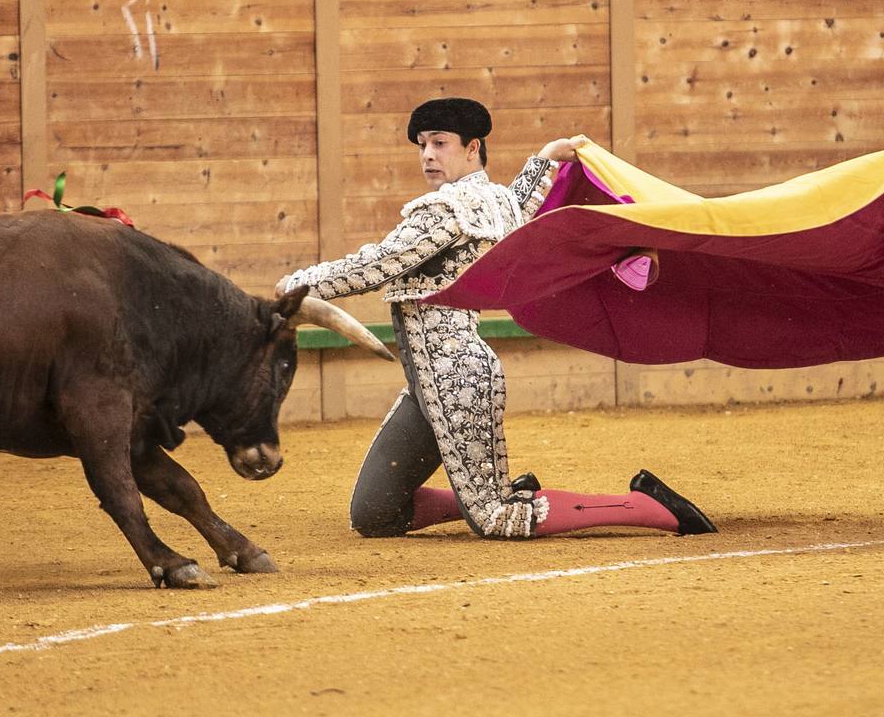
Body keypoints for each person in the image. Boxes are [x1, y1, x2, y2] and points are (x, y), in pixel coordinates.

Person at [277, 97, 717, 542]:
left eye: (440, 143)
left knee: (496, 518)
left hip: (456, 380)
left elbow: (375, 265)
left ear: (473, 149)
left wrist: (294, 286)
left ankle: (649, 506)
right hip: (428, 385)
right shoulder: (495, 202)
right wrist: (545, 159)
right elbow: (520, 203)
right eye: (422, 145)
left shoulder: (445, 212)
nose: (428, 154)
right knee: (376, 513)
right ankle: (503, 492)